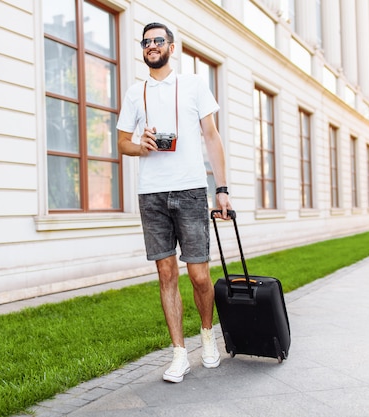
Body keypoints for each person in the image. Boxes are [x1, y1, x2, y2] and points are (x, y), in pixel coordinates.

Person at [116, 22, 233, 383]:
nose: (152, 46)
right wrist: (141, 145)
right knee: (165, 273)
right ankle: (179, 352)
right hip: (151, 194)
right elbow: (122, 143)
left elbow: (211, 137)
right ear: (143, 50)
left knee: (199, 275)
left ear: (171, 46)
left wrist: (222, 188)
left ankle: (207, 336)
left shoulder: (195, 84)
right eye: (146, 42)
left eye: (158, 41)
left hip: (191, 190)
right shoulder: (137, 94)